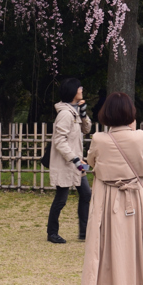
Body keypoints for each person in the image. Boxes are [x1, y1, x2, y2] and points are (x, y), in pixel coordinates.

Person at [82, 92, 143, 285]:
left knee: (112, 253)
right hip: (135, 197)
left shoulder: (99, 138)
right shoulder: (139, 137)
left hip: (109, 199)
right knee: (139, 251)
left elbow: (91, 162)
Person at [47, 77, 92, 244]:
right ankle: (52, 232)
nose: (81, 89)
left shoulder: (74, 112)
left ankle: (84, 231)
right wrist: (73, 158)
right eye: (79, 88)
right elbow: (59, 140)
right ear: (73, 92)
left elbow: (87, 130)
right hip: (69, 163)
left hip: (76, 164)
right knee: (61, 199)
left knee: (86, 194)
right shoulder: (65, 114)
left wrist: (84, 114)